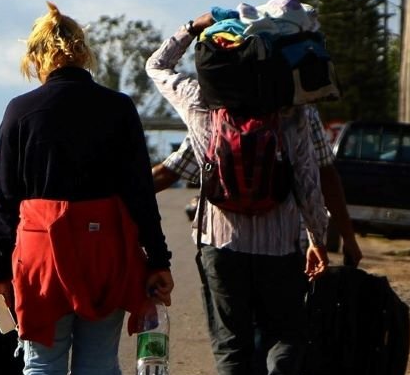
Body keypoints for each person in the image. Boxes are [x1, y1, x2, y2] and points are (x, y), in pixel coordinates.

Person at [0, 3, 173, 375]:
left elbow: (5, 203)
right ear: (82, 52)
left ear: (37, 57)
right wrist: (158, 261)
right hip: (105, 249)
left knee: (40, 366)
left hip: (40, 249)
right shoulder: (117, 108)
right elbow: (140, 194)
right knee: (95, 371)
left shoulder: (20, 112)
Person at [147, 10, 329, 375]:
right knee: (290, 332)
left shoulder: (198, 103)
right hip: (281, 242)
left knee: (230, 341)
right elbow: (309, 179)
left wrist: (190, 27)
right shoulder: (291, 107)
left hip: (220, 242)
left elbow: (157, 66)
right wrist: (318, 239)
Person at [152, 112, 363, 267]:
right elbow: (325, 176)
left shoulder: (213, 113)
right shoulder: (301, 110)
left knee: (229, 328)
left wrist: (124, 192)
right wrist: (347, 238)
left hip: (223, 246)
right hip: (284, 249)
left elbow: (170, 171)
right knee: (279, 326)